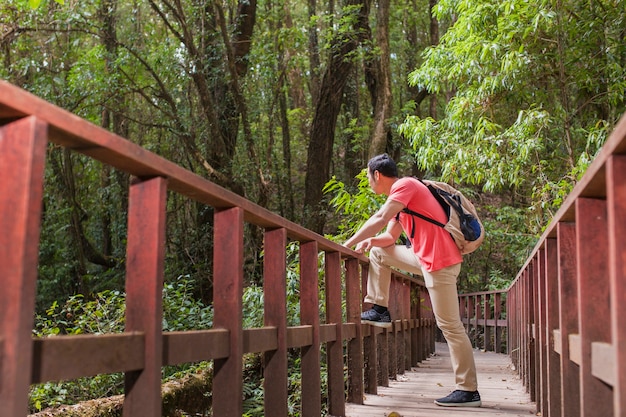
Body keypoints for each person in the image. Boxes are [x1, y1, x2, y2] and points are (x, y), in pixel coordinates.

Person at [343, 153, 481, 408]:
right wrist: (370, 241)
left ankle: (468, 389)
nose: (369, 181)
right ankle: (379, 308)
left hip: (440, 262)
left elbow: (379, 218)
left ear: (377, 175)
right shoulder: (400, 200)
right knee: (378, 253)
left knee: (450, 326)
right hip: (423, 258)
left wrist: (346, 244)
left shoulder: (405, 185)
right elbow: (388, 237)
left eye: (367, 176)